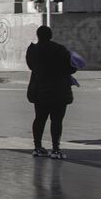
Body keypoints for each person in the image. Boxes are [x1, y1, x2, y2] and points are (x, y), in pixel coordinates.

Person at [26, 24, 76, 159]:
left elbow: (31, 66)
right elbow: (71, 68)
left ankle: (37, 147)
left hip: (40, 90)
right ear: (51, 36)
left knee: (39, 119)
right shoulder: (60, 50)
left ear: (38, 35)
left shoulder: (32, 50)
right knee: (57, 120)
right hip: (58, 90)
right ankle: (55, 149)